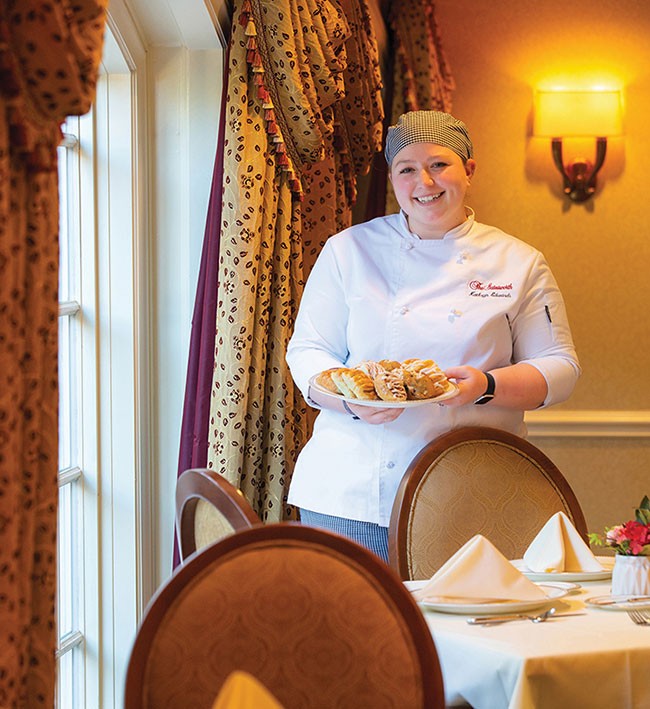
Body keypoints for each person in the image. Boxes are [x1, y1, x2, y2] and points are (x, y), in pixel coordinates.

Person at [285, 110, 580, 563]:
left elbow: (560, 367)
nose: (425, 181)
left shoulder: (518, 261)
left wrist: (486, 387)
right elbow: (308, 350)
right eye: (407, 169)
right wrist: (350, 401)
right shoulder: (349, 250)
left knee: (465, 627)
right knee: (362, 627)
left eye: (440, 164)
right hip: (353, 490)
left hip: (473, 488)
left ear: (469, 170)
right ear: (393, 178)